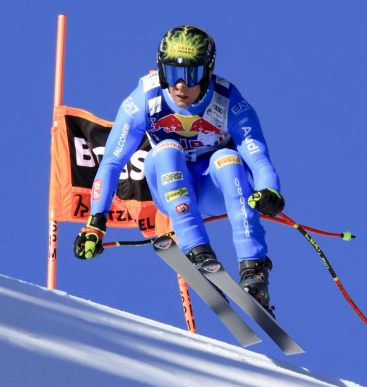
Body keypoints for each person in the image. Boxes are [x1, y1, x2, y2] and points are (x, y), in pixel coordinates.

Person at [73, 25, 285, 313]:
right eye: (172, 73)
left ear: (207, 72)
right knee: (165, 150)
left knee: (228, 159)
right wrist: (95, 223)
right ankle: (197, 252)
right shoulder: (145, 100)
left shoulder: (229, 103)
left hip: (213, 187)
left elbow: (258, 157)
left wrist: (269, 191)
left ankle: (254, 271)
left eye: (191, 74)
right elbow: (111, 161)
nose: (180, 85)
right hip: (169, 187)